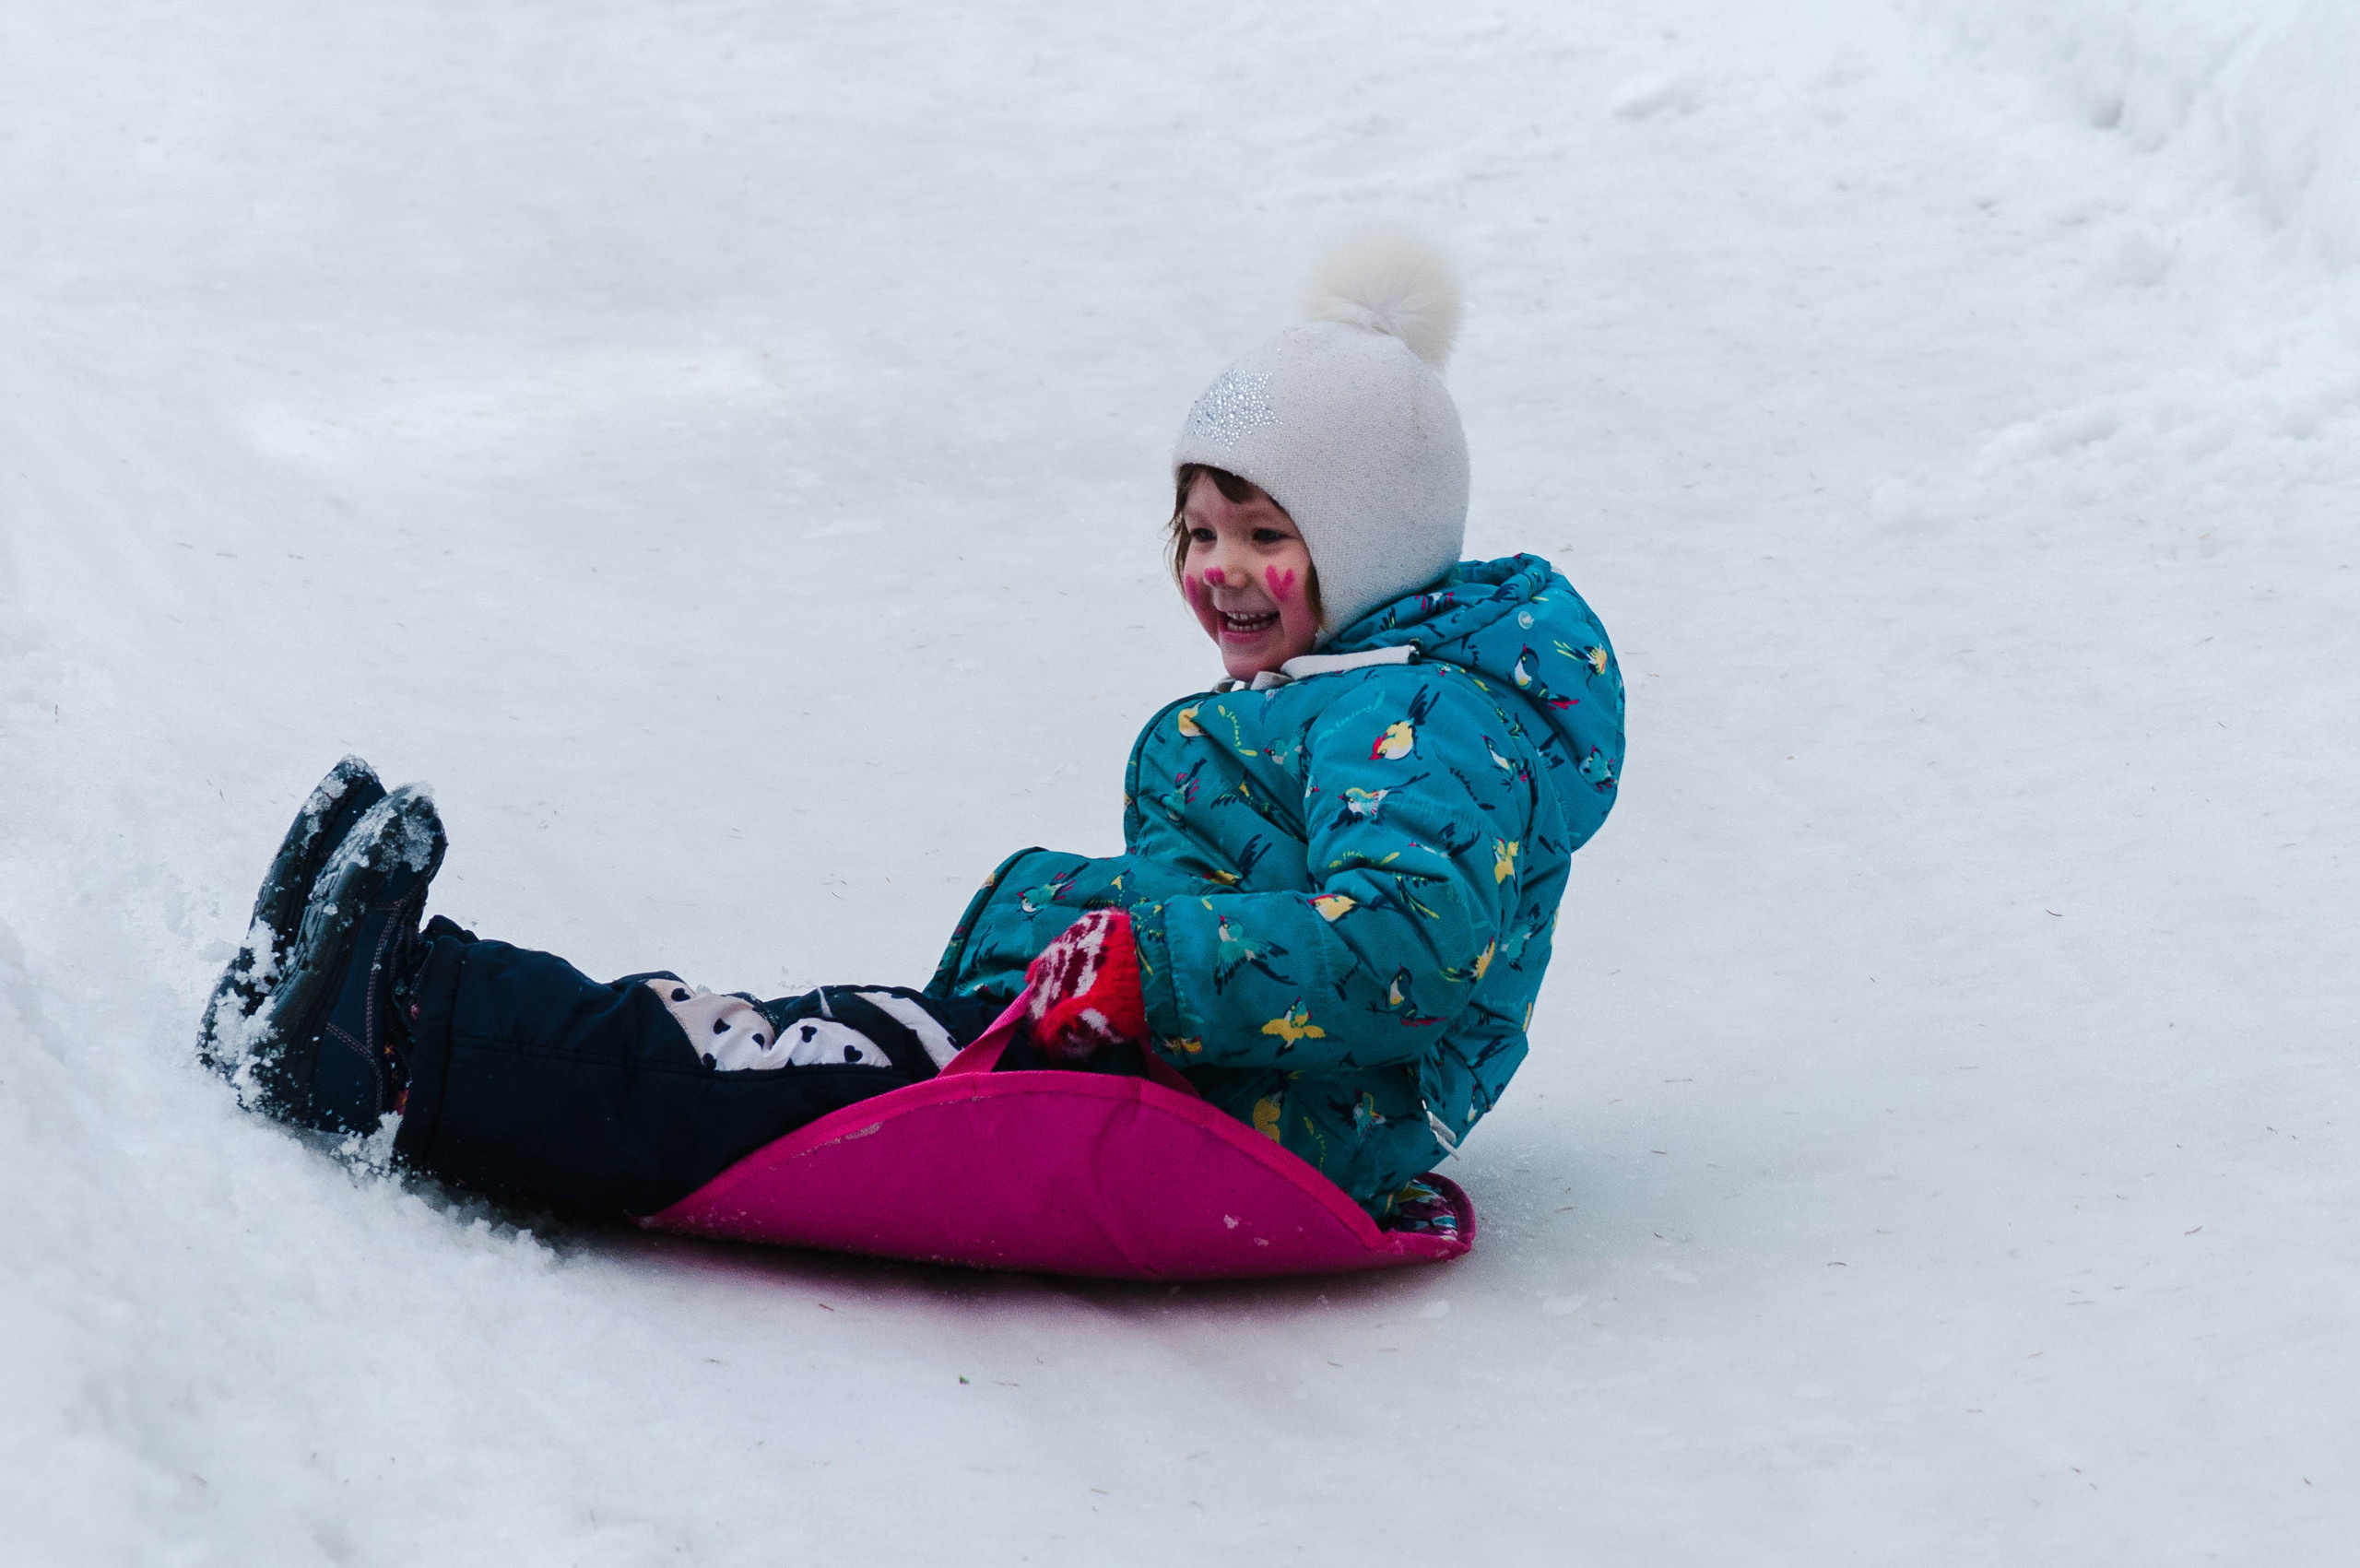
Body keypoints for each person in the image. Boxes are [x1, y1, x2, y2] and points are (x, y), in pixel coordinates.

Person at [201, 231, 1624, 1226]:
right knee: (783, 1045)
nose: (1217, 568)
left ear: (1372, 539)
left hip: (1264, 1123)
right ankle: (363, 986)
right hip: (1203, 1070)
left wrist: (1150, 964)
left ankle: (393, 1039)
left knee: (758, 1081)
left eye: (1267, 529)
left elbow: (1401, 955)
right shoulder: (1361, 694)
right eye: (1197, 527)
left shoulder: (1428, 720)